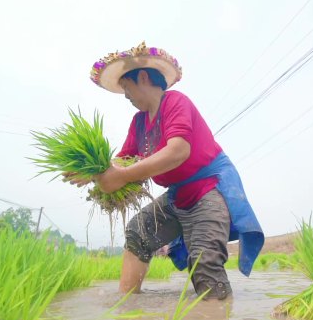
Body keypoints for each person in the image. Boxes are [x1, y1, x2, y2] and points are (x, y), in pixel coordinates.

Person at [71, 41, 264, 300]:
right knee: (138, 231)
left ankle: (217, 318)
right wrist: (93, 171)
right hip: (178, 196)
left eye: (126, 89)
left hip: (208, 189)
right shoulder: (139, 123)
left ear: (142, 77)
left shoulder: (175, 102)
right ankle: (125, 304)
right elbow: (123, 162)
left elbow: (178, 151)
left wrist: (121, 176)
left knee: (204, 262)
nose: (125, 96)